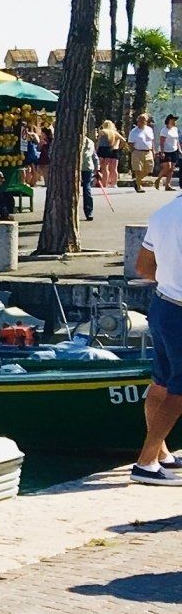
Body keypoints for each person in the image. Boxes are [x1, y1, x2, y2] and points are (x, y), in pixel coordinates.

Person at [131, 181, 182, 480]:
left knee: (161, 382)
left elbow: (142, 267)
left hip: (163, 305)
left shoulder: (163, 213)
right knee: (178, 389)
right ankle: (146, 461)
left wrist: (171, 278)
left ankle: (161, 453)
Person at [128, 112, 156, 192]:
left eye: (144, 120)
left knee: (149, 169)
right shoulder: (134, 131)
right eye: (140, 120)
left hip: (148, 151)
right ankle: (139, 186)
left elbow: (152, 141)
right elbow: (130, 143)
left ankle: (137, 181)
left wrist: (153, 150)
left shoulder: (149, 129)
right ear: (138, 121)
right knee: (138, 170)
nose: (142, 122)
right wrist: (133, 152)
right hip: (137, 152)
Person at [97, 117, 121, 190]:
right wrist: (118, 146)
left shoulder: (103, 131)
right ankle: (111, 183)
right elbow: (123, 140)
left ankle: (105, 183)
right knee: (109, 167)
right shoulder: (113, 133)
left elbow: (99, 141)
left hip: (102, 149)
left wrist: (96, 149)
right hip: (110, 149)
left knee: (103, 167)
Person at [162, 114, 181, 188]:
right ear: (170, 120)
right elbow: (161, 142)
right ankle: (158, 179)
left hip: (174, 150)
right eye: (174, 120)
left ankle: (167, 185)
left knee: (172, 169)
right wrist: (162, 152)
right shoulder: (164, 130)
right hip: (166, 151)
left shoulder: (175, 129)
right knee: (168, 168)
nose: (175, 122)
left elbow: (177, 140)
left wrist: (180, 149)